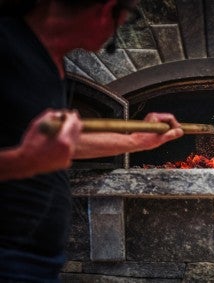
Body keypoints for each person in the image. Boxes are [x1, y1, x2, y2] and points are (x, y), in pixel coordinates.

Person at [0, 0, 184, 281]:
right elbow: (32, 155)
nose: (115, 34)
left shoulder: (48, 59)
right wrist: (26, 161)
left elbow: (59, 144)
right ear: (103, 10)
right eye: (121, 23)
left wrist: (136, 140)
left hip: (38, 258)